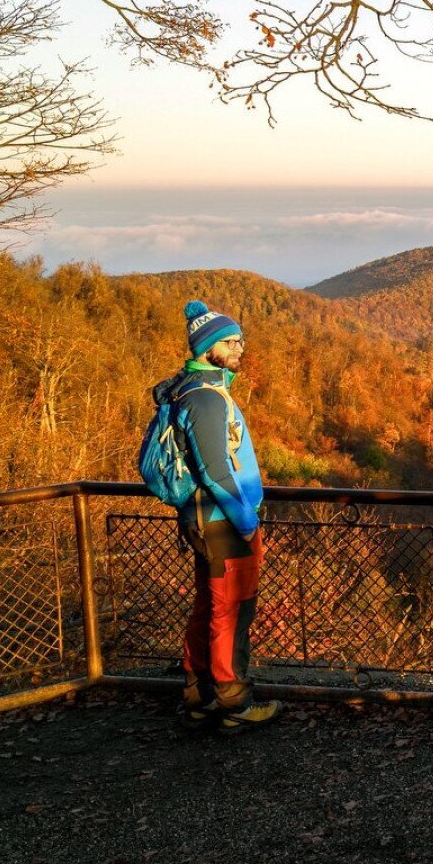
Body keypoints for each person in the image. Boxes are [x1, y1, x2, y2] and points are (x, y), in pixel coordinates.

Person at [155, 299, 281, 731]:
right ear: (207, 346)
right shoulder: (206, 400)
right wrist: (247, 522)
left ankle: (200, 695)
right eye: (230, 342)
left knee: (209, 607)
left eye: (241, 340)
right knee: (232, 611)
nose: (240, 348)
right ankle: (234, 704)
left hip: (203, 520)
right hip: (223, 523)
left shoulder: (190, 390)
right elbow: (215, 470)